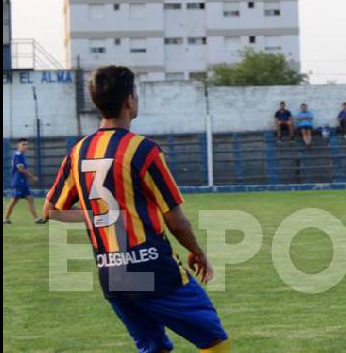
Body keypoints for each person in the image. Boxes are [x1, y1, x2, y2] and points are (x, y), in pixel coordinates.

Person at [42, 66, 231, 353]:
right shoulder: (143, 150)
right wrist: (197, 251)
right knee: (213, 338)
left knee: (153, 347)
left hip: (112, 274)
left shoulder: (79, 151)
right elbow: (175, 220)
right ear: (129, 101)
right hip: (151, 267)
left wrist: (98, 216)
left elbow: (50, 210)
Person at [3, 138, 46, 224]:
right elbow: (20, 168)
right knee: (13, 201)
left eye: (26, 144)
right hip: (19, 182)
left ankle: (36, 219)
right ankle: (5, 219)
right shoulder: (18, 155)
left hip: (22, 182)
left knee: (30, 199)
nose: (25, 146)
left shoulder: (21, 155)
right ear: (18, 145)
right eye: (23, 144)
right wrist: (32, 176)